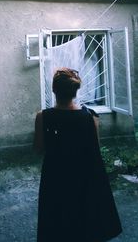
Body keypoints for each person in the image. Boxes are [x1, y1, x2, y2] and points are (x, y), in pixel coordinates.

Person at [34, 67, 122, 242]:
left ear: (54, 89)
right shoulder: (90, 117)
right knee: (81, 219)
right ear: (75, 91)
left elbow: (39, 148)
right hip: (82, 175)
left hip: (55, 174)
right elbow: (94, 150)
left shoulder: (43, 117)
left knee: (56, 219)